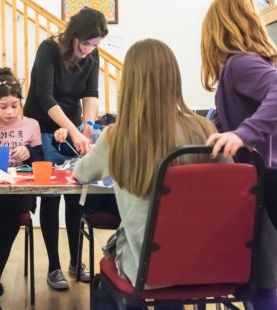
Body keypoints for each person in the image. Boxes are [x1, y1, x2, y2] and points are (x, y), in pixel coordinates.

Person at [72, 39, 215, 308]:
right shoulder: (205, 131)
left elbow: (82, 173)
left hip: (145, 268)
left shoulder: (117, 136)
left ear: (129, 85)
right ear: (174, 78)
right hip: (202, 264)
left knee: (107, 278)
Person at [23, 7, 108, 289]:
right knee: (50, 196)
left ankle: (75, 261)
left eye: (94, 45)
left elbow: (91, 94)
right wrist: (74, 130)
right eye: (86, 43)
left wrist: (88, 125)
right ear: (74, 36)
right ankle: (54, 267)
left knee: (75, 195)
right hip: (44, 126)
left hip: (70, 126)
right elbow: (44, 95)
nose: (88, 50)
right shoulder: (48, 49)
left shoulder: (92, 54)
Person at [201, 0, 277, 308]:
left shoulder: (239, 63)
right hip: (261, 184)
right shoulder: (248, 65)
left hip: (264, 185)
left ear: (216, 31)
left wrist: (243, 133)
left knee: (263, 283)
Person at [0, 68, 43, 309]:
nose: (10, 111)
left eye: (15, 105)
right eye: (3, 106)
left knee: (6, 227)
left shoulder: (31, 125)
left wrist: (30, 153)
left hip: (20, 196)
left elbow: (41, 159)